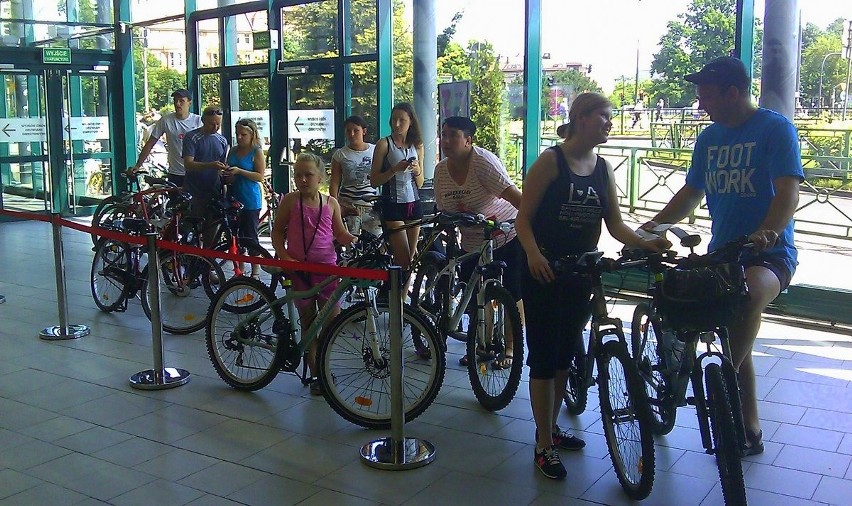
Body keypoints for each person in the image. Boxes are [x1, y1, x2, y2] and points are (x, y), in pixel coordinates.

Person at [644, 56, 803, 457]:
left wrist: (768, 230)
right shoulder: (709, 139)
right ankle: (749, 426)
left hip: (769, 255)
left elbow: (788, 191)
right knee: (734, 321)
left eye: (706, 97)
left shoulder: (774, 128)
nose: (701, 106)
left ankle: (721, 383)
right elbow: (691, 194)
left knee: (747, 298)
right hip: (722, 254)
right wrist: (651, 227)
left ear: (733, 93)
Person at [515, 92, 669, 480]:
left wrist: (646, 243)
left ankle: (550, 429)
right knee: (545, 357)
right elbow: (523, 219)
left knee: (567, 353)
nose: (609, 123)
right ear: (581, 117)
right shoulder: (551, 162)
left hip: (581, 274)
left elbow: (615, 225)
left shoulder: (603, 168)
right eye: (603, 116)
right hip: (545, 272)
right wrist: (533, 255)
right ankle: (542, 446)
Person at [433, 116, 522, 369]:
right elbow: (444, 211)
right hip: (472, 241)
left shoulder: (483, 162)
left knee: (511, 294)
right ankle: (482, 345)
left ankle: (510, 348)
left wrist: (534, 229)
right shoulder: (440, 171)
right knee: (475, 295)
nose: (446, 141)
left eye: (453, 135)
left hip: (505, 234)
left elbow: (517, 199)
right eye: (444, 134)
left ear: (468, 140)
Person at [271, 152, 357, 395]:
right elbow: (277, 232)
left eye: (308, 175)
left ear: (320, 177)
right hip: (300, 272)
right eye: (298, 175)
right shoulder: (289, 201)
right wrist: (285, 257)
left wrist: (353, 239)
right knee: (309, 324)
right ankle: (319, 375)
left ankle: (323, 365)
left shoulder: (331, 203)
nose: (302, 179)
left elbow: (339, 234)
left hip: (328, 271)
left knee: (330, 324)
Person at [370, 103, 425, 274]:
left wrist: (417, 171)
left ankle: (402, 297)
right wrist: (394, 169)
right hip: (392, 204)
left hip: (413, 202)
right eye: (394, 120)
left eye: (402, 120)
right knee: (403, 258)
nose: (397, 124)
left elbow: (421, 182)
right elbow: (374, 181)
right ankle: (397, 298)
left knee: (411, 259)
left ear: (411, 122)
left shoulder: (417, 145)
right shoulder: (384, 144)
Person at [129, 89, 202, 186]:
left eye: (181, 101)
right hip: (175, 173)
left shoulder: (198, 121)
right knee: (175, 200)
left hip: (195, 172)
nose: (178, 104)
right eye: (175, 101)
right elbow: (150, 144)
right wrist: (138, 165)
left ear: (189, 103)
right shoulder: (166, 121)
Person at [183, 105, 229, 247]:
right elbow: (188, 164)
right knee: (191, 229)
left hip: (213, 191)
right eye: (211, 124)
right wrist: (210, 165)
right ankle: (190, 258)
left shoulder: (222, 140)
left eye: (218, 124)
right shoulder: (192, 137)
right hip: (194, 191)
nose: (215, 127)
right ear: (203, 121)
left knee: (211, 229)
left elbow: (222, 165)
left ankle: (208, 263)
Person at [224, 118, 265, 277]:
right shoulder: (233, 150)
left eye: (243, 134)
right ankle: (239, 269)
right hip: (234, 197)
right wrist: (227, 174)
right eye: (237, 134)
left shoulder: (256, 151)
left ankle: (255, 270)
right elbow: (229, 172)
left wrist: (240, 171)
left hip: (250, 200)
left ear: (251, 134)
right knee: (236, 236)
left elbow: (259, 176)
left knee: (250, 236)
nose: (240, 138)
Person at [329, 115, 380, 236]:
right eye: (348, 131)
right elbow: (335, 182)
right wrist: (336, 206)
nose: (351, 134)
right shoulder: (340, 154)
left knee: (376, 239)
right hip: (349, 204)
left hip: (371, 205)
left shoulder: (375, 150)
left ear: (364, 131)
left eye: (355, 130)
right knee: (351, 241)